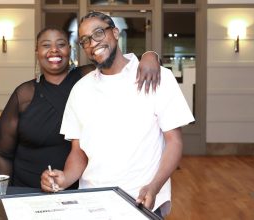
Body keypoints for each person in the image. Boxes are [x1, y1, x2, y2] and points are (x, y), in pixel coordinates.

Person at [40, 12, 194, 217]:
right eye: (85, 40)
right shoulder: (80, 90)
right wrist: (64, 178)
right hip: (92, 202)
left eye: (98, 33)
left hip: (141, 200)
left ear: (115, 32)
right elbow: (78, 152)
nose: (92, 43)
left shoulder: (157, 77)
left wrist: (154, 186)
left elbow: (174, 142)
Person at [0, 26, 161, 189]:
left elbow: (122, 64)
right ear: (37, 51)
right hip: (27, 187)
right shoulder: (24, 94)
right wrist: (4, 195)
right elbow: (3, 153)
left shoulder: (89, 77)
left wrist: (150, 56)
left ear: (69, 49)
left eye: (60, 44)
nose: (54, 50)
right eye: (46, 45)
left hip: (80, 186)